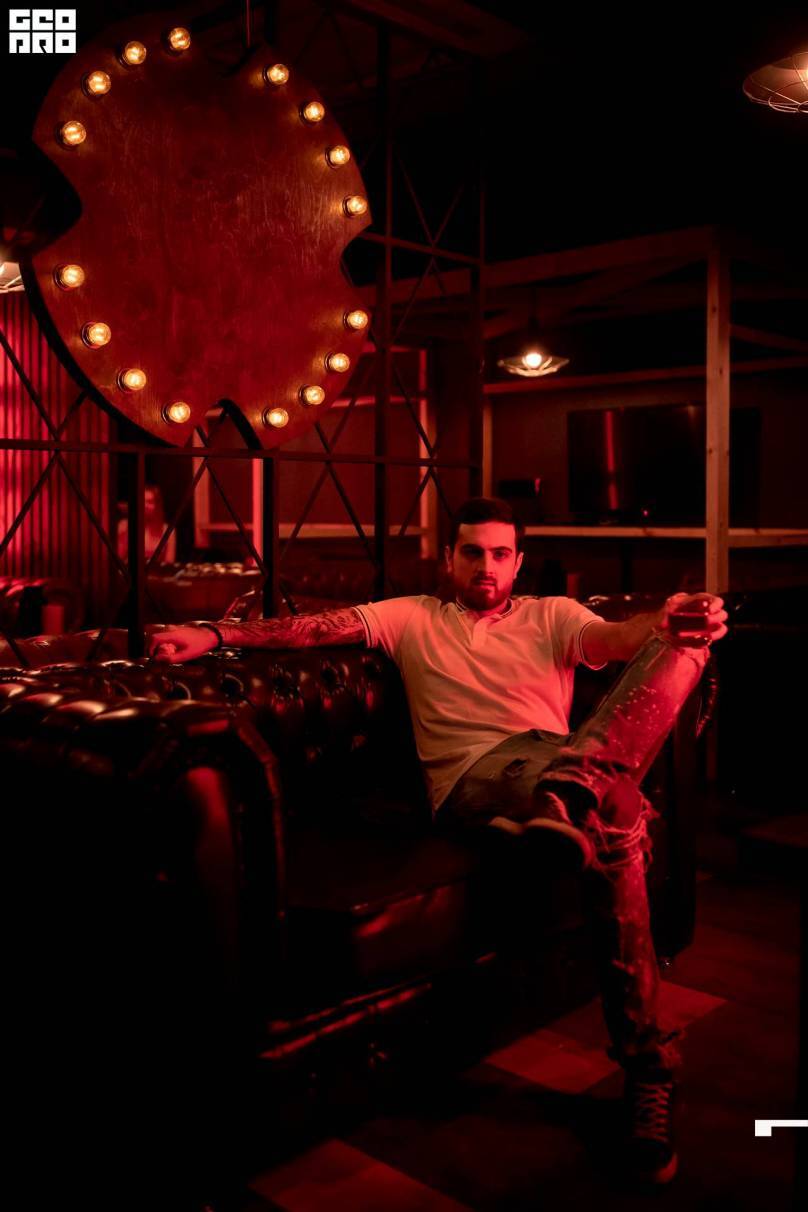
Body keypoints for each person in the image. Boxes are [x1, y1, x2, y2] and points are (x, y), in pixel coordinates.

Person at [149, 496, 727, 1187]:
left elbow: (622, 638)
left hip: (554, 760)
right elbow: (310, 629)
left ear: (518, 560)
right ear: (449, 558)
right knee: (620, 808)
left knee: (686, 653)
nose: (486, 566)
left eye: (500, 554)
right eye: (472, 552)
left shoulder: (554, 616)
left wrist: (670, 622)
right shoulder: (413, 616)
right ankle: (648, 1069)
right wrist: (213, 633)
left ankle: (567, 802)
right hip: (474, 777)